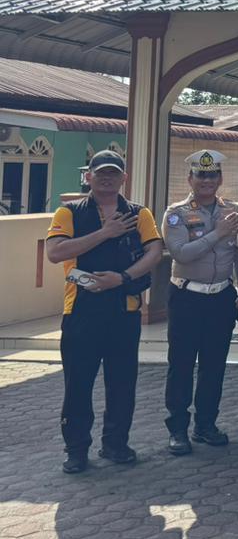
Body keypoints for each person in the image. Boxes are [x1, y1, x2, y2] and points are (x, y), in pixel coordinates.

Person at [46, 150, 163, 474]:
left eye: (113, 173)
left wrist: (123, 278)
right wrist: (104, 233)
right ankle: (76, 450)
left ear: (124, 177)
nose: (107, 178)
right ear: (89, 177)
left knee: (122, 383)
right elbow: (55, 252)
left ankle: (116, 444)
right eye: (101, 173)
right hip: (81, 310)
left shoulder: (139, 213)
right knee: (78, 384)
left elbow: (155, 251)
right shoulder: (69, 212)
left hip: (124, 308)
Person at [161, 150, 238, 455]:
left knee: (214, 365)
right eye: (201, 175)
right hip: (187, 296)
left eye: (212, 175)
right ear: (190, 179)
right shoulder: (176, 213)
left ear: (220, 179)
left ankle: (206, 424)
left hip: (221, 297)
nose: (207, 181)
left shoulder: (233, 211)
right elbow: (180, 253)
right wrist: (217, 233)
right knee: (181, 364)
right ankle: (178, 429)